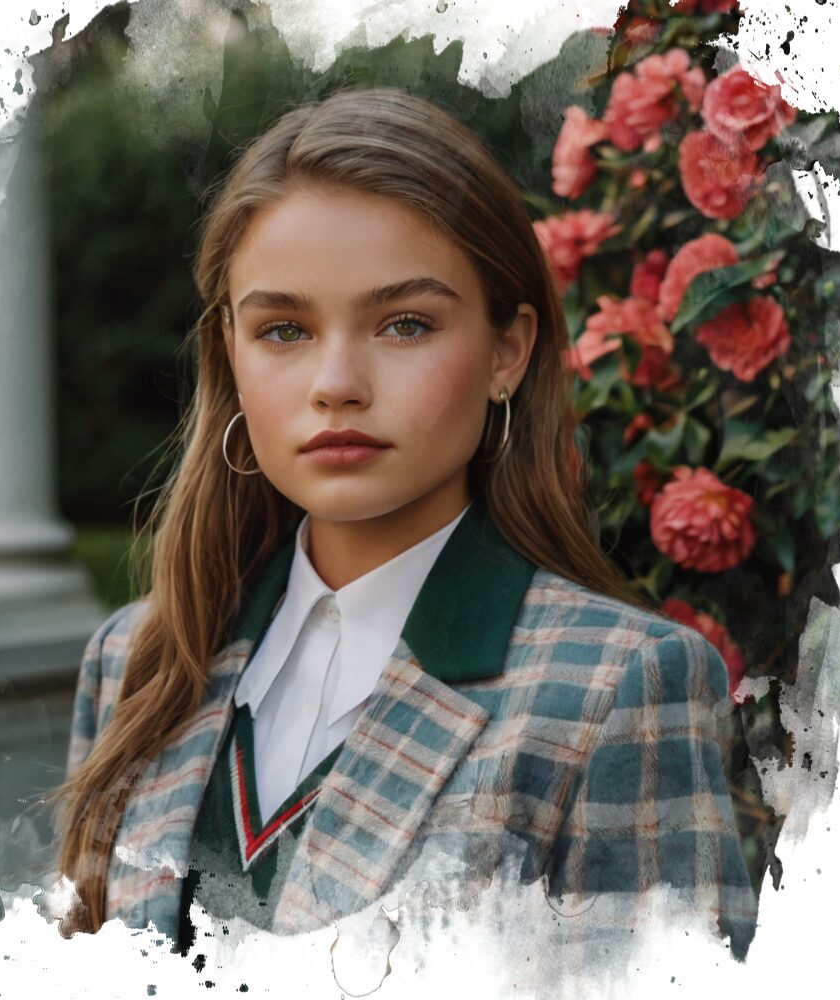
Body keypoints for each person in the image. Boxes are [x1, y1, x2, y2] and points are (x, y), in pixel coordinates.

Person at [53, 87, 757, 964]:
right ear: (227, 359)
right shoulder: (137, 661)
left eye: (405, 323)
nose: (337, 381)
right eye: (282, 329)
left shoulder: (618, 693)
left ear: (508, 350)